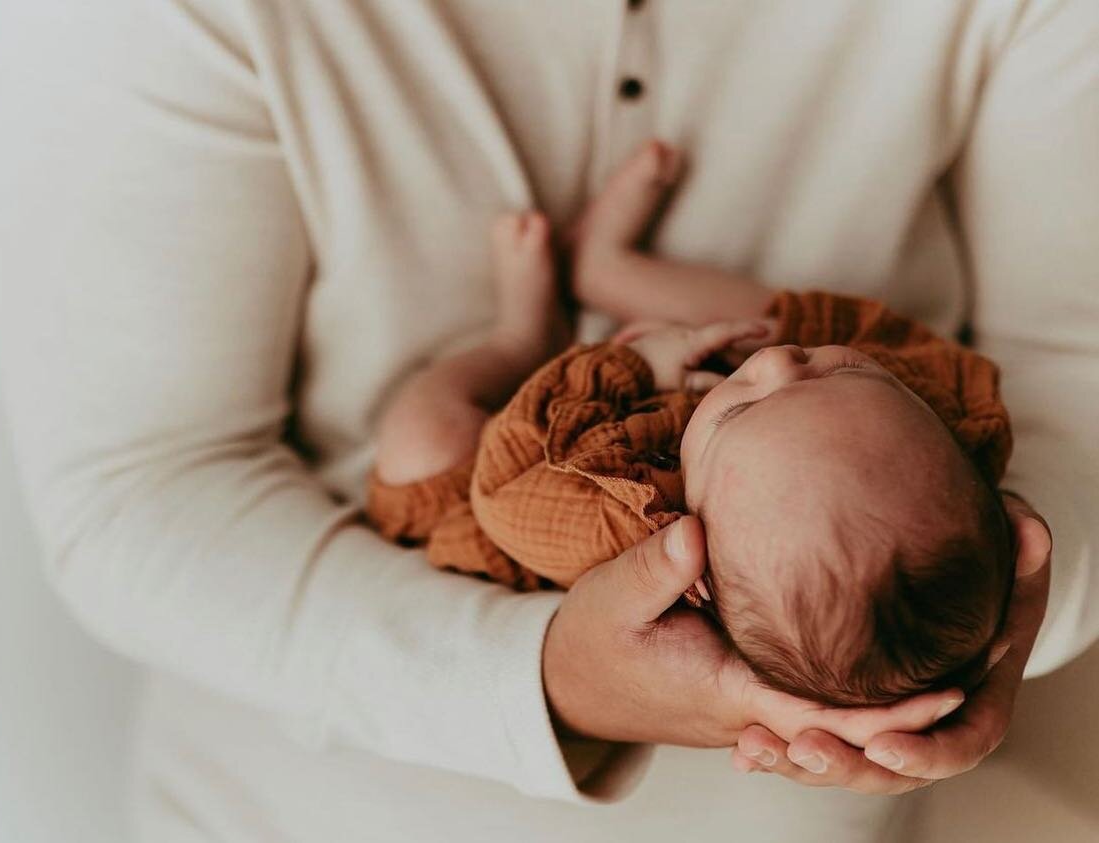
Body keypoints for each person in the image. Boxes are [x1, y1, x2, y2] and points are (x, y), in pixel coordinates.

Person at [0, 1, 1095, 840]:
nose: (779, 364)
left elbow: (1069, 385)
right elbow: (140, 497)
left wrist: (999, 611)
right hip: (306, 812)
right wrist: (545, 678)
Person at [366, 140, 1016, 708]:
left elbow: (502, 484)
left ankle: (521, 333)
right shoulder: (898, 442)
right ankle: (608, 267)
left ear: (692, 547)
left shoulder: (623, 525)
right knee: (790, 325)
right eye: (838, 376)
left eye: (741, 405)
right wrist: (766, 389)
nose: (770, 365)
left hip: (524, 467)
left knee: (420, 440)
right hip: (699, 413)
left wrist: (632, 364)